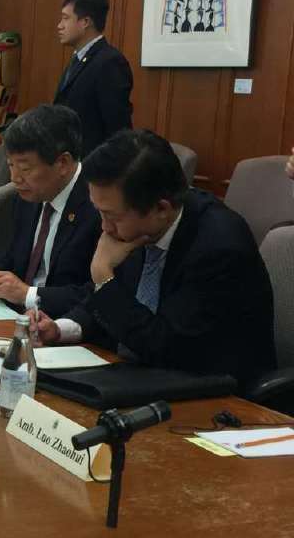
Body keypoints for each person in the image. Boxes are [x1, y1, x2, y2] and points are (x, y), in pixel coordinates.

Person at [31, 129, 275, 389]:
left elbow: (165, 347)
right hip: (145, 377)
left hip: (214, 391)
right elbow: (111, 300)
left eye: (112, 216)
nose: (104, 227)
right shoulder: (141, 228)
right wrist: (60, 329)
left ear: (161, 209)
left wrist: (103, 275)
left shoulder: (218, 247)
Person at [0, 105, 100, 318]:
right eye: (11, 165)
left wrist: (27, 294)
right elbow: (15, 262)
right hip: (15, 318)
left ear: (62, 163)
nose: (15, 178)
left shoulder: (99, 205)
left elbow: (98, 295)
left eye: (25, 168)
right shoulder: (29, 195)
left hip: (63, 325)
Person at [53, 0, 133, 156]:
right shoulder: (78, 59)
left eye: (66, 18)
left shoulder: (110, 62)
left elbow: (118, 130)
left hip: (93, 164)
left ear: (85, 22)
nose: (59, 26)